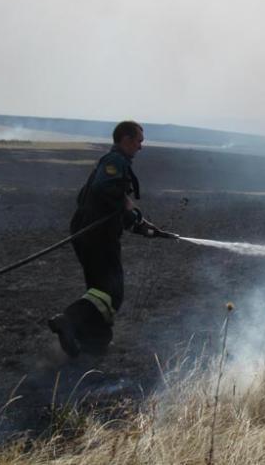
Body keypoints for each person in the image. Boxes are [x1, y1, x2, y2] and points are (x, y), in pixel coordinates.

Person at [48, 120, 161, 357]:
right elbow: (105, 190)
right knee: (111, 292)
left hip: (91, 231)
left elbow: (107, 199)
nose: (141, 147)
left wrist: (136, 222)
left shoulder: (114, 162)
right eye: (139, 141)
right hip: (96, 234)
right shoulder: (114, 161)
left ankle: (93, 342)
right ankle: (69, 320)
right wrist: (133, 215)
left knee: (100, 291)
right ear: (126, 139)